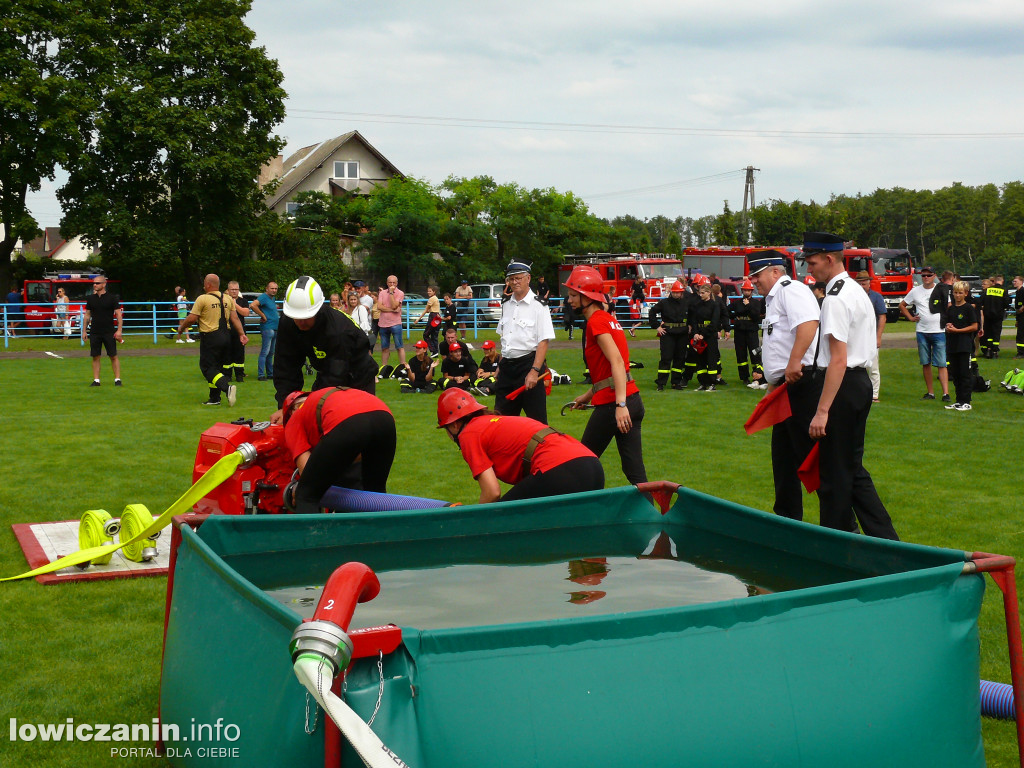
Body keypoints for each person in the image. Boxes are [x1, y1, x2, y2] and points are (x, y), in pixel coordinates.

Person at [803, 232, 899, 540]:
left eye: (813, 262)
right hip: (858, 383)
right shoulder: (857, 292)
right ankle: (883, 540)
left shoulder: (836, 298)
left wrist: (822, 411)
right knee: (850, 468)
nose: (810, 269)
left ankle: (836, 541)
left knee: (834, 473)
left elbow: (838, 359)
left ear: (829, 259)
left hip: (842, 385)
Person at [750, 250, 821, 522]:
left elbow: (808, 325)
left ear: (775, 272)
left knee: (810, 457)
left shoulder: (790, 291)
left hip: (800, 383)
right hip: (784, 387)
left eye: (757, 275)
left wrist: (793, 363)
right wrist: (771, 388)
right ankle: (787, 520)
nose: (754, 281)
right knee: (783, 460)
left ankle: (839, 520)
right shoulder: (776, 296)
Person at [437, 389, 604, 504]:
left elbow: (492, 492)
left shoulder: (468, 434)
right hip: (591, 465)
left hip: (559, 470)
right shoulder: (492, 423)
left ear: (454, 425)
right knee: (583, 540)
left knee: (501, 520)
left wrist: (476, 522)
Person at [564, 266, 648, 485]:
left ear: (587, 297)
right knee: (635, 472)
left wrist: (620, 406)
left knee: (581, 463)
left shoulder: (596, 322)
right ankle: (652, 516)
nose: (569, 300)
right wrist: (587, 395)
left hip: (614, 405)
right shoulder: (607, 318)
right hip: (632, 399)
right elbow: (608, 371)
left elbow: (618, 362)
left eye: (573, 295)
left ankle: (578, 512)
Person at [272, 275, 377, 422]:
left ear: (318, 309)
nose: (300, 322)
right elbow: (285, 366)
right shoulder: (288, 320)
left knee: (353, 426)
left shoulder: (339, 330)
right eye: (296, 317)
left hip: (358, 377)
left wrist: (308, 405)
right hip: (329, 371)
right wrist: (285, 407)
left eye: (306, 317)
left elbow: (335, 375)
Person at [280, 387, 396, 514]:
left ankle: (313, 534)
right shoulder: (322, 400)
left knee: (306, 494)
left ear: (290, 412)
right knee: (374, 493)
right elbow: (353, 452)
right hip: (384, 416)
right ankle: (377, 532)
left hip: (348, 421)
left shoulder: (294, 420)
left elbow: (307, 470)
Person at [494, 260, 555, 423]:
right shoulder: (506, 304)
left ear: (528, 278)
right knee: (501, 423)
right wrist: (500, 366)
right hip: (507, 369)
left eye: (518, 278)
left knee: (538, 424)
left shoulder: (539, 305)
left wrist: (534, 371)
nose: (514, 282)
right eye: (511, 279)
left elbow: (543, 341)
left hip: (528, 366)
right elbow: (505, 338)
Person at [177, 274, 246, 405]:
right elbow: (235, 318)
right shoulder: (227, 298)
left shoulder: (202, 299)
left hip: (210, 337)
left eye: (204, 283)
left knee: (207, 368)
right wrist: (242, 334)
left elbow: (192, 318)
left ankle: (227, 388)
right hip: (226, 336)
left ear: (208, 285)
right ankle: (214, 398)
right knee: (217, 368)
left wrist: (181, 328)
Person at [899, 266, 950, 402]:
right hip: (922, 331)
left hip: (939, 330)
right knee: (925, 363)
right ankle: (930, 393)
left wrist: (948, 321)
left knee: (941, 363)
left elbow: (949, 306)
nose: (926, 277)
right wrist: (910, 318)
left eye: (928, 275)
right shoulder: (915, 291)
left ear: (934, 276)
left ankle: (946, 393)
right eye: (923, 275)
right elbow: (902, 305)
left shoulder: (941, 289)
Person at [648, 278, 691, 391]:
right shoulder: (664, 303)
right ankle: (661, 383)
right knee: (666, 358)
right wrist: (657, 326)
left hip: (682, 333)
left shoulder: (686, 303)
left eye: (678, 292)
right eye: (675, 292)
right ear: (672, 292)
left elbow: (692, 316)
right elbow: (652, 312)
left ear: (682, 292)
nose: (676, 294)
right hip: (668, 334)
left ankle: (676, 382)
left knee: (680, 359)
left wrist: (690, 326)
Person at [81, 275, 124, 386]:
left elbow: (118, 314)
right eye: (94, 283)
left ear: (104, 284)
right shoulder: (90, 298)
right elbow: (87, 315)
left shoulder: (112, 298)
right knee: (95, 356)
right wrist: (84, 331)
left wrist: (119, 330)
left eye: (97, 283)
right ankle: (96, 380)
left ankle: (117, 379)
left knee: (113, 355)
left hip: (109, 331)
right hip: (95, 331)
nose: (95, 285)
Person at [944, 281, 979, 412]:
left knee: (965, 373)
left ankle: (966, 401)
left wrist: (958, 330)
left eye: (960, 293)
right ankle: (958, 401)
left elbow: (974, 326)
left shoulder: (969, 308)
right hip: (952, 345)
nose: (957, 295)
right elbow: (948, 323)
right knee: (956, 374)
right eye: (955, 293)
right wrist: (948, 327)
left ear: (965, 294)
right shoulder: (951, 309)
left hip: (964, 345)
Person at [855, 271, 886, 402]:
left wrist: (878, 337)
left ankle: (874, 394)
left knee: (873, 367)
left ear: (869, 283)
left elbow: (882, 317)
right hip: (857, 336)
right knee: (856, 366)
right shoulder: (853, 297)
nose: (862, 286)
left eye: (864, 283)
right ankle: (858, 392)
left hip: (871, 336)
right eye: (859, 283)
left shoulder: (876, 297)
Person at [688, 283, 722, 391]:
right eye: (700, 293)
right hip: (699, 335)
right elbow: (694, 321)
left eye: (703, 293)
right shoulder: (697, 305)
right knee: (700, 360)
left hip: (710, 335)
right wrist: (696, 333)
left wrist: (704, 334)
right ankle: (703, 383)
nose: (701, 295)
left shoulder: (714, 305)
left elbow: (714, 322)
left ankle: (712, 383)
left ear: (709, 293)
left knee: (711, 360)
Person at [730, 279, 763, 387]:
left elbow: (756, 316)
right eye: (744, 290)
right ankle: (744, 377)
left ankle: (757, 375)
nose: (746, 292)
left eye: (748, 290)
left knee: (755, 354)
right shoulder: (737, 303)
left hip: (751, 331)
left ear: (751, 291)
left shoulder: (756, 303)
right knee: (741, 355)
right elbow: (726, 310)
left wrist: (748, 306)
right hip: (739, 331)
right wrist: (735, 316)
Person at [249, 281, 279, 381]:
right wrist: (262, 315)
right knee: (265, 352)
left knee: (271, 353)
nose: (274, 290)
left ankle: (270, 373)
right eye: (272, 288)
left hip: (274, 328)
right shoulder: (263, 297)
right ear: (267, 289)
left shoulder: (272, 298)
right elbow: (253, 305)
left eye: (275, 289)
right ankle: (261, 374)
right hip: (267, 328)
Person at [377, 275, 407, 375]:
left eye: (394, 283)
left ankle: (403, 367)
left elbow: (395, 305)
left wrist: (391, 293)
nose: (392, 285)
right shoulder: (381, 293)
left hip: (395, 324)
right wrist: (391, 310)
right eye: (390, 283)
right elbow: (379, 306)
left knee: (399, 346)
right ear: (387, 283)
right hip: (383, 323)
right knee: (384, 348)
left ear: (397, 283)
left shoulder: (400, 293)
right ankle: (383, 368)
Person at [225, 281, 251, 381]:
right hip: (227, 331)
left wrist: (234, 305)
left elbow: (246, 313)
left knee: (239, 354)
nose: (234, 291)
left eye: (236, 289)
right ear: (228, 290)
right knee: (227, 354)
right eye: (232, 289)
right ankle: (227, 375)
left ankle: (240, 375)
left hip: (240, 332)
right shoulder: (224, 301)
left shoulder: (243, 301)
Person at [981, 274, 1009, 358]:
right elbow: (1006, 303)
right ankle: (995, 351)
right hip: (998, 315)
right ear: (1002, 281)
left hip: (987, 315)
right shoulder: (1004, 290)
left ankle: (988, 350)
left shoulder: (988, 289)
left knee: (989, 333)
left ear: (995, 280)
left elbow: (982, 300)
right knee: (996, 333)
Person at [415, 285, 442, 354]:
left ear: (434, 292)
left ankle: (432, 350)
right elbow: (431, 309)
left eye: (430, 291)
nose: (428, 292)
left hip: (433, 317)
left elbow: (425, 310)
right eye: (428, 291)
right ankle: (436, 352)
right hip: (437, 317)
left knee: (426, 335)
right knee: (434, 336)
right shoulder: (436, 298)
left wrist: (418, 319)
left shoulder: (431, 299)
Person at [1013, 275, 1024, 358]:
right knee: (1020, 334)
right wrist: (1017, 320)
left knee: (1021, 335)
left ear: (1021, 281)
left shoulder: (1023, 291)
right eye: (1014, 281)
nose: (1014, 282)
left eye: (1016, 281)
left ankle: (1021, 353)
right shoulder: (1018, 291)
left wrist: (1022, 308)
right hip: (1020, 316)